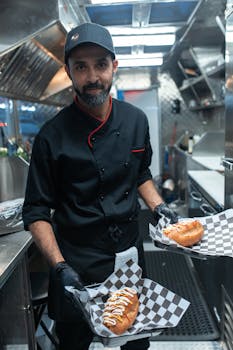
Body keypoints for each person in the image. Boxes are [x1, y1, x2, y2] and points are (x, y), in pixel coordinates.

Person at [22, 22, 178, 350]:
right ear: (69, 72)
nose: (92, 77)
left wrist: (159, 207)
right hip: (76, 263)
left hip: (127, 257)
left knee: (135, 343)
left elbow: (140, 175)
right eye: (81, 67)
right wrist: (59, 266)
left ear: (114, 67)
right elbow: (36, 211)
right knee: (74, 344)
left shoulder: (136, 121)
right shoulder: (51, 136)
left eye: (101, 65)